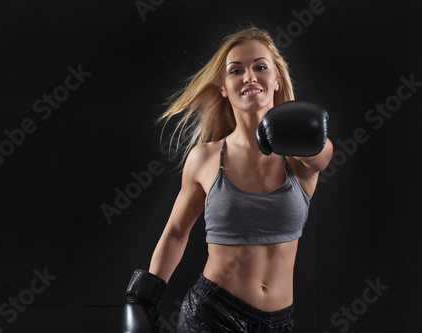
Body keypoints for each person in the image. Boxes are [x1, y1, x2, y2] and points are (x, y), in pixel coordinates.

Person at [121, 24, 333, 333]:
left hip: (279, 323)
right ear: (223, 86)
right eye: (236, 71)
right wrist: (141, 298)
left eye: (260, 67)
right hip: (213, 314)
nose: (249, 76)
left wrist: (291, 133)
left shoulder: (302, 153)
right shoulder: (204, 158)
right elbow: (177, 232)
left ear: (275, 79)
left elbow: (321, 153)